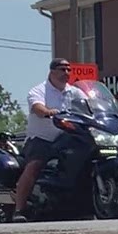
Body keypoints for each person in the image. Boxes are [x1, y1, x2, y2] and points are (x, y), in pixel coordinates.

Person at [13, 58, 73, 221]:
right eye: (62, 69)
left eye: (68, 70)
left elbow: (91, 105)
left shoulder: (74, 92)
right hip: (42, 139)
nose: (66, 73)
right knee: (34, 166)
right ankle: (19, 209)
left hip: (67, 137)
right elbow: (37, 107)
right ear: (52, 72)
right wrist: (47, 111)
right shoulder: (39, 90)